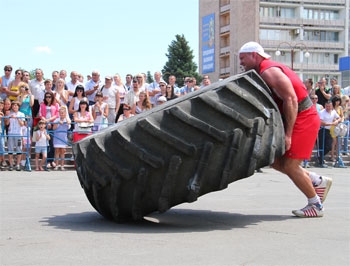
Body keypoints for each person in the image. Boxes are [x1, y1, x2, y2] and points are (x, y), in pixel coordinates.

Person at [238, 41, 332, 218]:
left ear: (254, 55)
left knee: (290, 165)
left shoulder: (268, 70)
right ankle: (317, 181)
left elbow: (291, 99)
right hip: (299, 116)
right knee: (274, 160)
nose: (241, 62)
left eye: (243, 58)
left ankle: (316, 205)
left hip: (304, 117)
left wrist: (288, 134)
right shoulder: (264, 69)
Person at [317, 100, 342, 166]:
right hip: (322, 130)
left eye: (329, 106)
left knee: (329, 146)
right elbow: (321, 122)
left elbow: (339, 118)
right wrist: (331, 123)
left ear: (332, 106)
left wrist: (337, 121)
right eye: (327, 106)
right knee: (322, 145)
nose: (328, 108)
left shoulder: (333, 112)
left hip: (328, 130)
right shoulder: (322, 112)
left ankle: (320, 157)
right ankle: (320, 161)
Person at [39, 91, 59, 169]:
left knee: (51, 143)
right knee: (45, 143)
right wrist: (46, 121)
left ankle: (51, 160)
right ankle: (46, 161)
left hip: (52, 125)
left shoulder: (56, 105)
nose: (48, 98)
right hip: (44, 125)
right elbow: (40, 114)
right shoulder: (42, 105)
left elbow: (56, 115)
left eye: (49, 97)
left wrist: (49, 120)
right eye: (46, 97)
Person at [4, 101, 25, 171]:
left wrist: (17, 118)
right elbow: (6, 124)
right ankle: (11, 165)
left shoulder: (21, 114)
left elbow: (22, 124)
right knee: (10, 149)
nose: (15, 107)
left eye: (16, 105)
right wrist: (9, 118)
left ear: (18, 107)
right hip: (11, 133)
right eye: (13, 105)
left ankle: (18, 165)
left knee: (19, 149)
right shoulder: (9, 113)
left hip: (18, 134)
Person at [329, 95, 344, 161]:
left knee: (338, 141)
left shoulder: (340, 108)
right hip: (332, 125)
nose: (337, 102)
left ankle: (337, 155)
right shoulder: (331, 107)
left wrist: (340, 120)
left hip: (338, 125)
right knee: (334, 141)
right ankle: (332, 156)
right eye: (336, 101)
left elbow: (342, 116)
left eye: (338, 101)